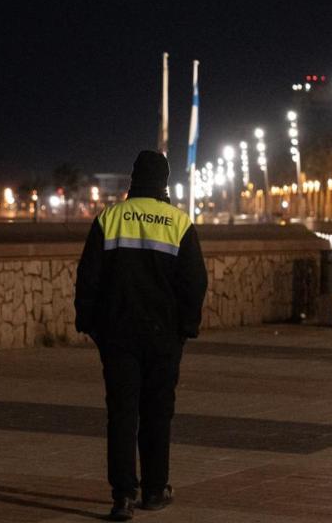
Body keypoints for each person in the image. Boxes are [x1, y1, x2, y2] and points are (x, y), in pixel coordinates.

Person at [74, 150, 207, 521]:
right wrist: (186, 327)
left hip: (118, 334)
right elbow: (195, 282)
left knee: (121, 414)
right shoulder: (178, 223)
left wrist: (89, 321)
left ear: (134, 178)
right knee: (157, 413)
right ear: (164, 181)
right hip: (163, 336)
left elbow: (88, 277)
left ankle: (122, 495)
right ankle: (154, 490)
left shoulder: (110, 218)